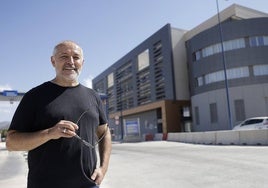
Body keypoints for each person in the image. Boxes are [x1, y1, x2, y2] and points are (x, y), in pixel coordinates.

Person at [6, 40, 112, 188]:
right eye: (64, 56)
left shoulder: (93, 97)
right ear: (53, 61)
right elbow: (11, 142)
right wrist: (49, 133)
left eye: (76, 57)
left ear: (83, 62)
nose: (71, 62)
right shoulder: (35, 96)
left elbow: (104, 133)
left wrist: (103, 168)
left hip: (89, 184)